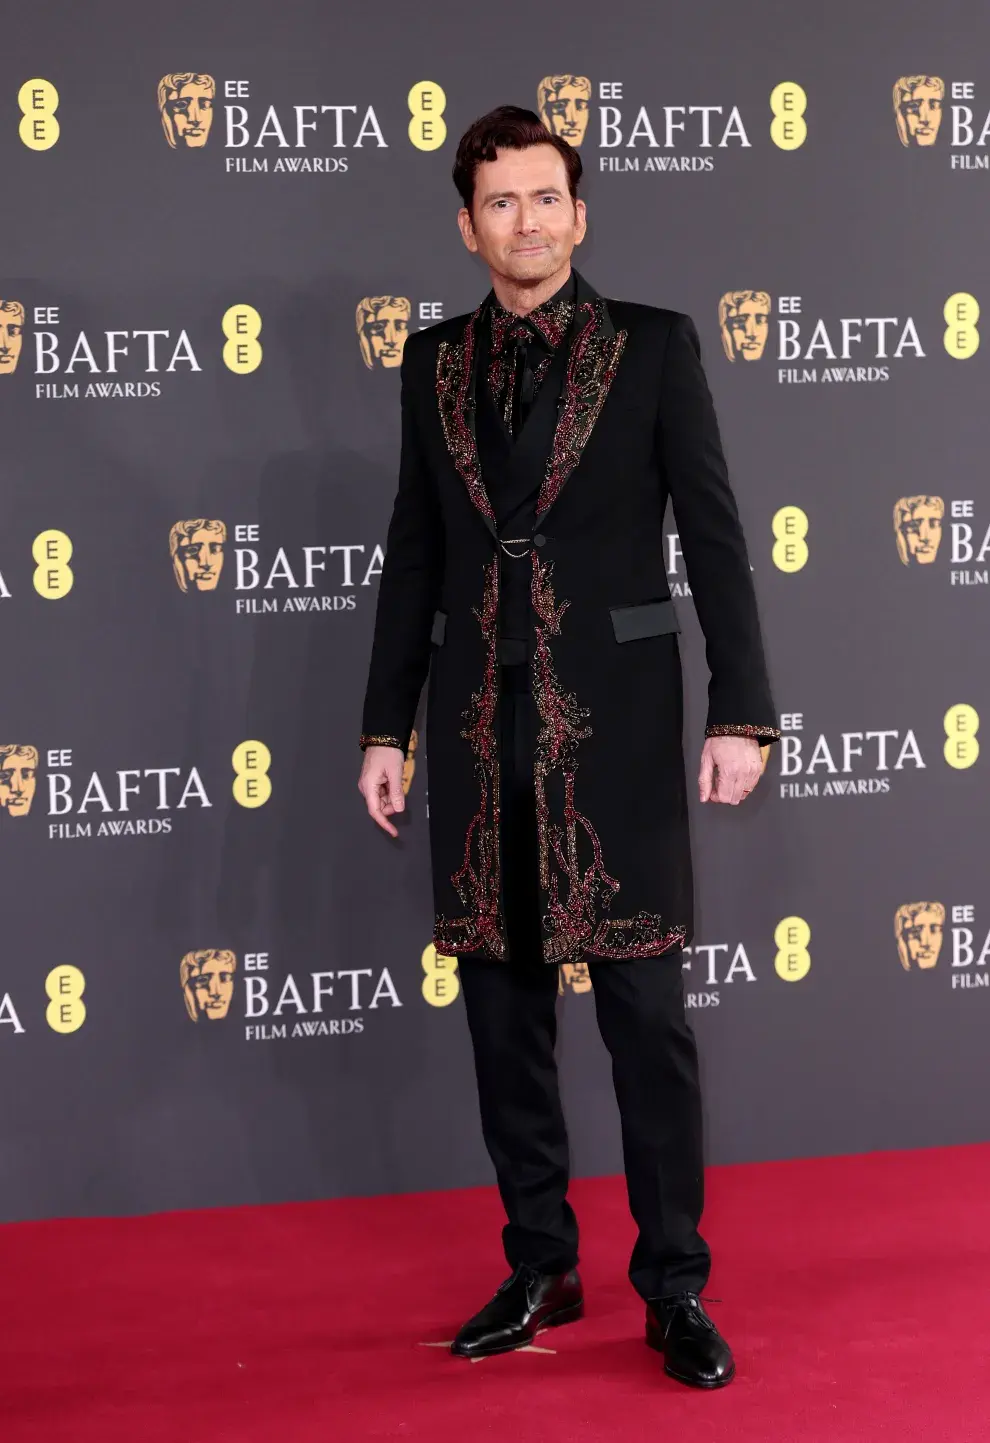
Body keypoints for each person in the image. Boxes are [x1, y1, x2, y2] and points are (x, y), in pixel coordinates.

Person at [357, 105, 779, 1389]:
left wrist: (741, 707)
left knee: (647, 1019)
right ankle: (539, 1259)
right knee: (503, 1020)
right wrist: (386, 727)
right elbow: (415, 554)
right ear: (468, 222)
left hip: (621, 730)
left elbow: (714, 536)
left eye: (546, 199)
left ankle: (675, 1284)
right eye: (500, 202)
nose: (525, 222)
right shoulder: (430, 364)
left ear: (579, 213)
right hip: (481, 738)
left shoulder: (653, 347)